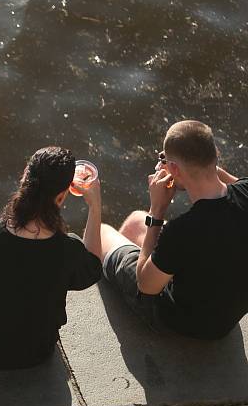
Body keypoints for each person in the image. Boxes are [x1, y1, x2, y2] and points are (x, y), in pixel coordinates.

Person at [0, 147, 103, 369]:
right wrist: (95, 207)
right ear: (61, 196)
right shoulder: (68, 250)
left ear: (25, 176)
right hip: (34, 353)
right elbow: (93, 267)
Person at [99, 120, 248, 339]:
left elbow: (146, 286)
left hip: (184, 323)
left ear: (174, 169)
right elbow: (235, 186)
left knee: (103, 232)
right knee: (135, 222)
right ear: (214, 153)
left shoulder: (182, 231)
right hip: (225, 320)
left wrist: (157, 210)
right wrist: (194, 162)